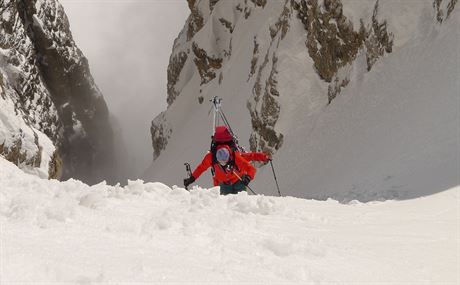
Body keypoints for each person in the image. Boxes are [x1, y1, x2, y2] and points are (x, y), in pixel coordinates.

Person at [183, 125, 271, 195]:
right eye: (220, 162)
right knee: (227, 209)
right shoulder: (211, 157)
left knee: (240, 205)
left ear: (229, 157)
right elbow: (201, 168)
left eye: (224, 161)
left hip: (238, 182)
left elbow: (250, 167)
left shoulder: (235, 156)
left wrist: (248, 177)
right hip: (224, 185)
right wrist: (191, 179)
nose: (223, 163)